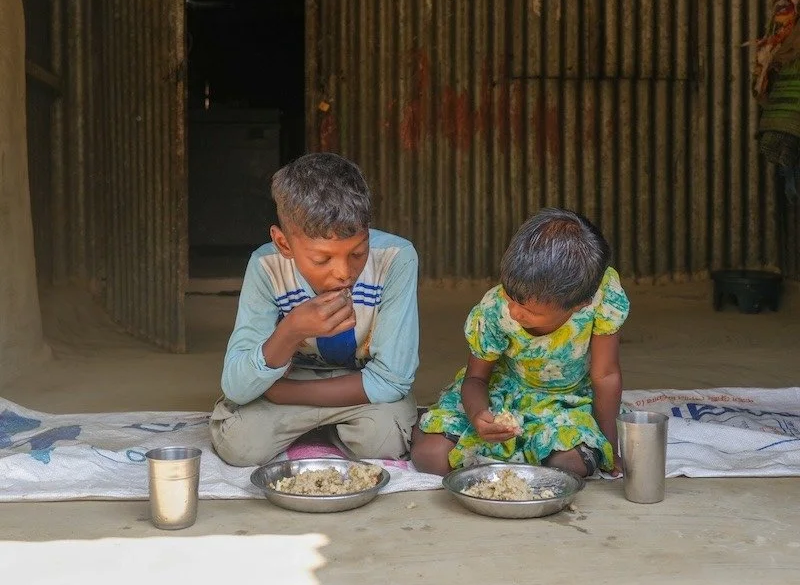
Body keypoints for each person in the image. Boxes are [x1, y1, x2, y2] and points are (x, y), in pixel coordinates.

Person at [210, 153, 419, 467]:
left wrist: (282, 394)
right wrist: (291, 331)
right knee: (239, 444)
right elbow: (237, 387)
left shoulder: (395, 258)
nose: (343, 273)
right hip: (300, 377)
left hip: (353, 384)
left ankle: (318, 427)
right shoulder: (267, 266)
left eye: (358, 253)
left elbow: (392, 380)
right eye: (322, 259)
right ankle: (332, 428)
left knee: (384, 439)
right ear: (284, 244)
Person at [411, 208, 630, 477]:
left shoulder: (601, 298)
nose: (514, 312)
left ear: (580, 304)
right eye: (510, 296)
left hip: (565, 404)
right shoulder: (494, 309)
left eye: (530, 311)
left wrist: (610, 448)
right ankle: (427, 425)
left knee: (571, 467)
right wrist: (480, 416)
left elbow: (605, 375)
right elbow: (476, 379)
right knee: (430, 456)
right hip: (502, 394)